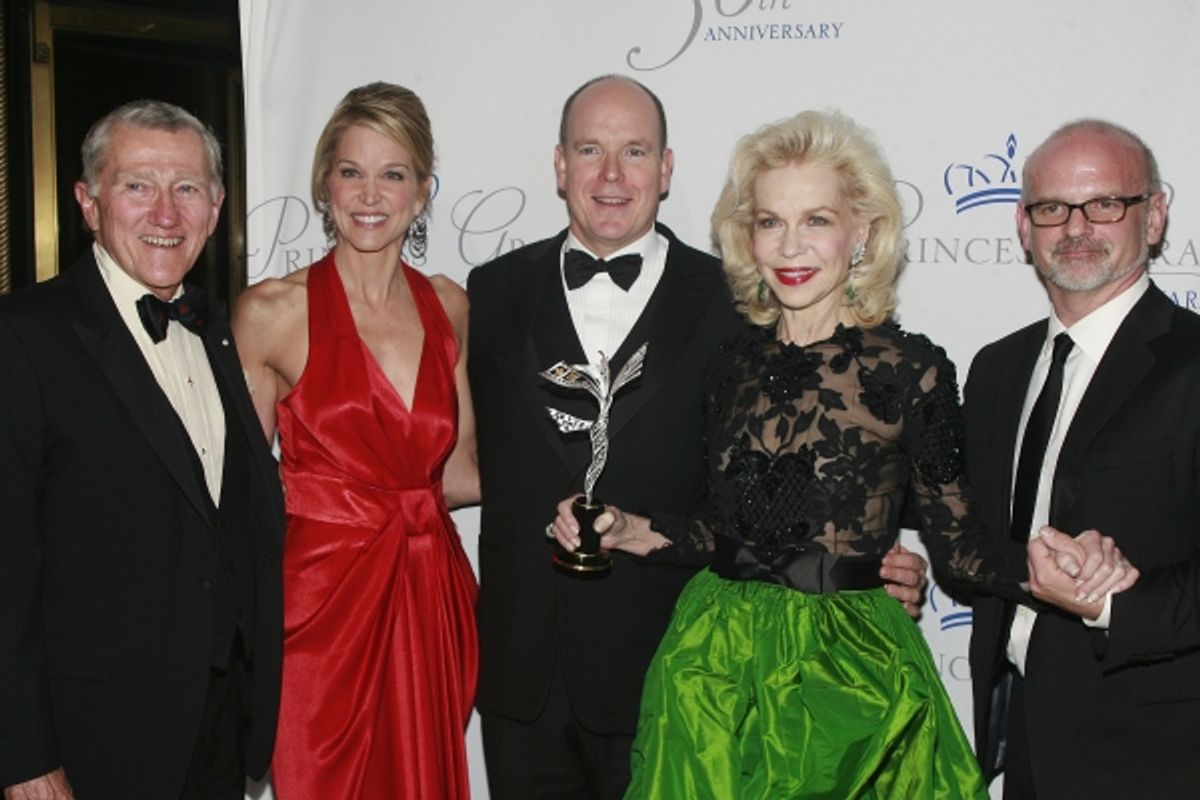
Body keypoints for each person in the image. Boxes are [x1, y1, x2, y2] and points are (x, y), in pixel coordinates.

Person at [550, 110, 1135, 800]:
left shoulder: (911, 371)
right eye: (770, 222)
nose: (792, 247)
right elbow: (720, 528)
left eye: (817, 220)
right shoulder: (728, 363)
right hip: (711, 666)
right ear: (748, 236)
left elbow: (960, 550)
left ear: (861, 232)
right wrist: (632, 528)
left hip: (850, 672)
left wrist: (1052, 569)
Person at [468, 75, 930, 800]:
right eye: (590, 150)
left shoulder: (745, 302)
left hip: (685, 671)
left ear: (667, 166)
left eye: (635, 151)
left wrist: (881, 563)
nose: (612, 175)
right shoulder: (489, 292)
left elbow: (833, 458)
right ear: (560, 167)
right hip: (523, 672)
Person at [0, 100, 284, 799]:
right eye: (137, 186)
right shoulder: (24, 337)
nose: (166, 213)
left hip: (216, 731)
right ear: (88, 203)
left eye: (187, 188)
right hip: (91, 740)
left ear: (216, 208)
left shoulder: (220, 328)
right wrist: (24, 757)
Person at [232, 82, 478, 799]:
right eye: (351, 171)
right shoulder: (271, 313)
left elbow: (460, 474)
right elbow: (236, 493)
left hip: (430, 597)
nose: (370, 194)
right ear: (324, 184)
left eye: (393, 173)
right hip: (319, 616)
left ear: (423, 190)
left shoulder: (449, 305)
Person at [964, 119, 1200, 798]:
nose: (1076, 227)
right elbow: (983, 537)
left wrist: (1109, 606)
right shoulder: (996, 369)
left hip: (1158, 755)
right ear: (1023, 224)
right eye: (1051, 208)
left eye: (1104, 204)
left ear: (1153, 216)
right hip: (1019, 742)